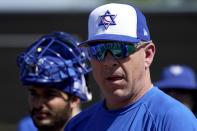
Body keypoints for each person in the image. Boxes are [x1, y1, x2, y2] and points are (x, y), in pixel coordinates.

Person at [64, 3, 197, 131]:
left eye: (120, 49)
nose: (108, 62)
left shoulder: (173, 120)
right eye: (98, 51)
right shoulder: (78, 125)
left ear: (147, 55)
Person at [16, 31, 92, 131]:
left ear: (74, 99)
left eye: (50, 95)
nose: (38, 104)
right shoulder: (27, 127)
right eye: (34, 94)